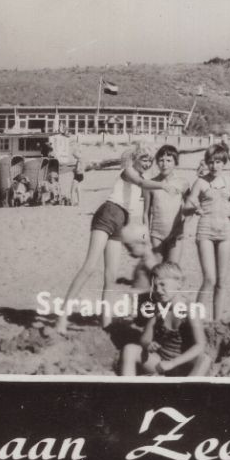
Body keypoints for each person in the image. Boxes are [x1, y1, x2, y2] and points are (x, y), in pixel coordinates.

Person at [52, 143, 178, 336]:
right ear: (135, 159)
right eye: (144, 159)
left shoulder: (141, 181)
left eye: (149, 161)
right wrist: (163, 185)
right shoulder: (128, 171)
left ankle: (106, 322)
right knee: (89, 267)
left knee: (110, 276)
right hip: (107, 214)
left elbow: (139, 214)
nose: (147, 163)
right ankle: (62, 319)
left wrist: (144, 241)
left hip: (122, 221)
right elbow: (142, 183)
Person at [185, 142, 230, 322]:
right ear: (206, 163)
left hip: (225, 231)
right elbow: (189, 203)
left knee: (221, 282)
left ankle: (216, 324)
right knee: (209, 279)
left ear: (224, 163)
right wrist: (196, 208)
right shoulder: (200, 182)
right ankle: (196, 322)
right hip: (206, 230)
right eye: (211, 162)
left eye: (218, 162)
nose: (214, 166)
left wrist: (229, 205)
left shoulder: (229, 180)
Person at [130, 262, 211, 378]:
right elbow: (144, 338)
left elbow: (200, 345)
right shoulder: (158, 309)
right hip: (161, 362)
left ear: (179, 283)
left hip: (183, 363)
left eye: (163, 284)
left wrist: (173, 363)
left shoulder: (189, 310)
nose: (158, 290)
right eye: (154, 286)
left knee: (204, 360)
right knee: (130, 350)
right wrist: (147, 344)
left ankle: (186, 390)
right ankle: (128, 387)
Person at [144, 145, 193, 263]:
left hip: (176, 234)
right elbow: (146, 213)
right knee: (157, 271)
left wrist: (185, 226)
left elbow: (190, 208)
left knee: (172, 270)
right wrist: (146, 236)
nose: (164, 164)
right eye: (161, 160)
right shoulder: (150, 184)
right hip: (156, 234)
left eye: (169, 160)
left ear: (176, 162)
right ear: (156, 162)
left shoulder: (183, 183)